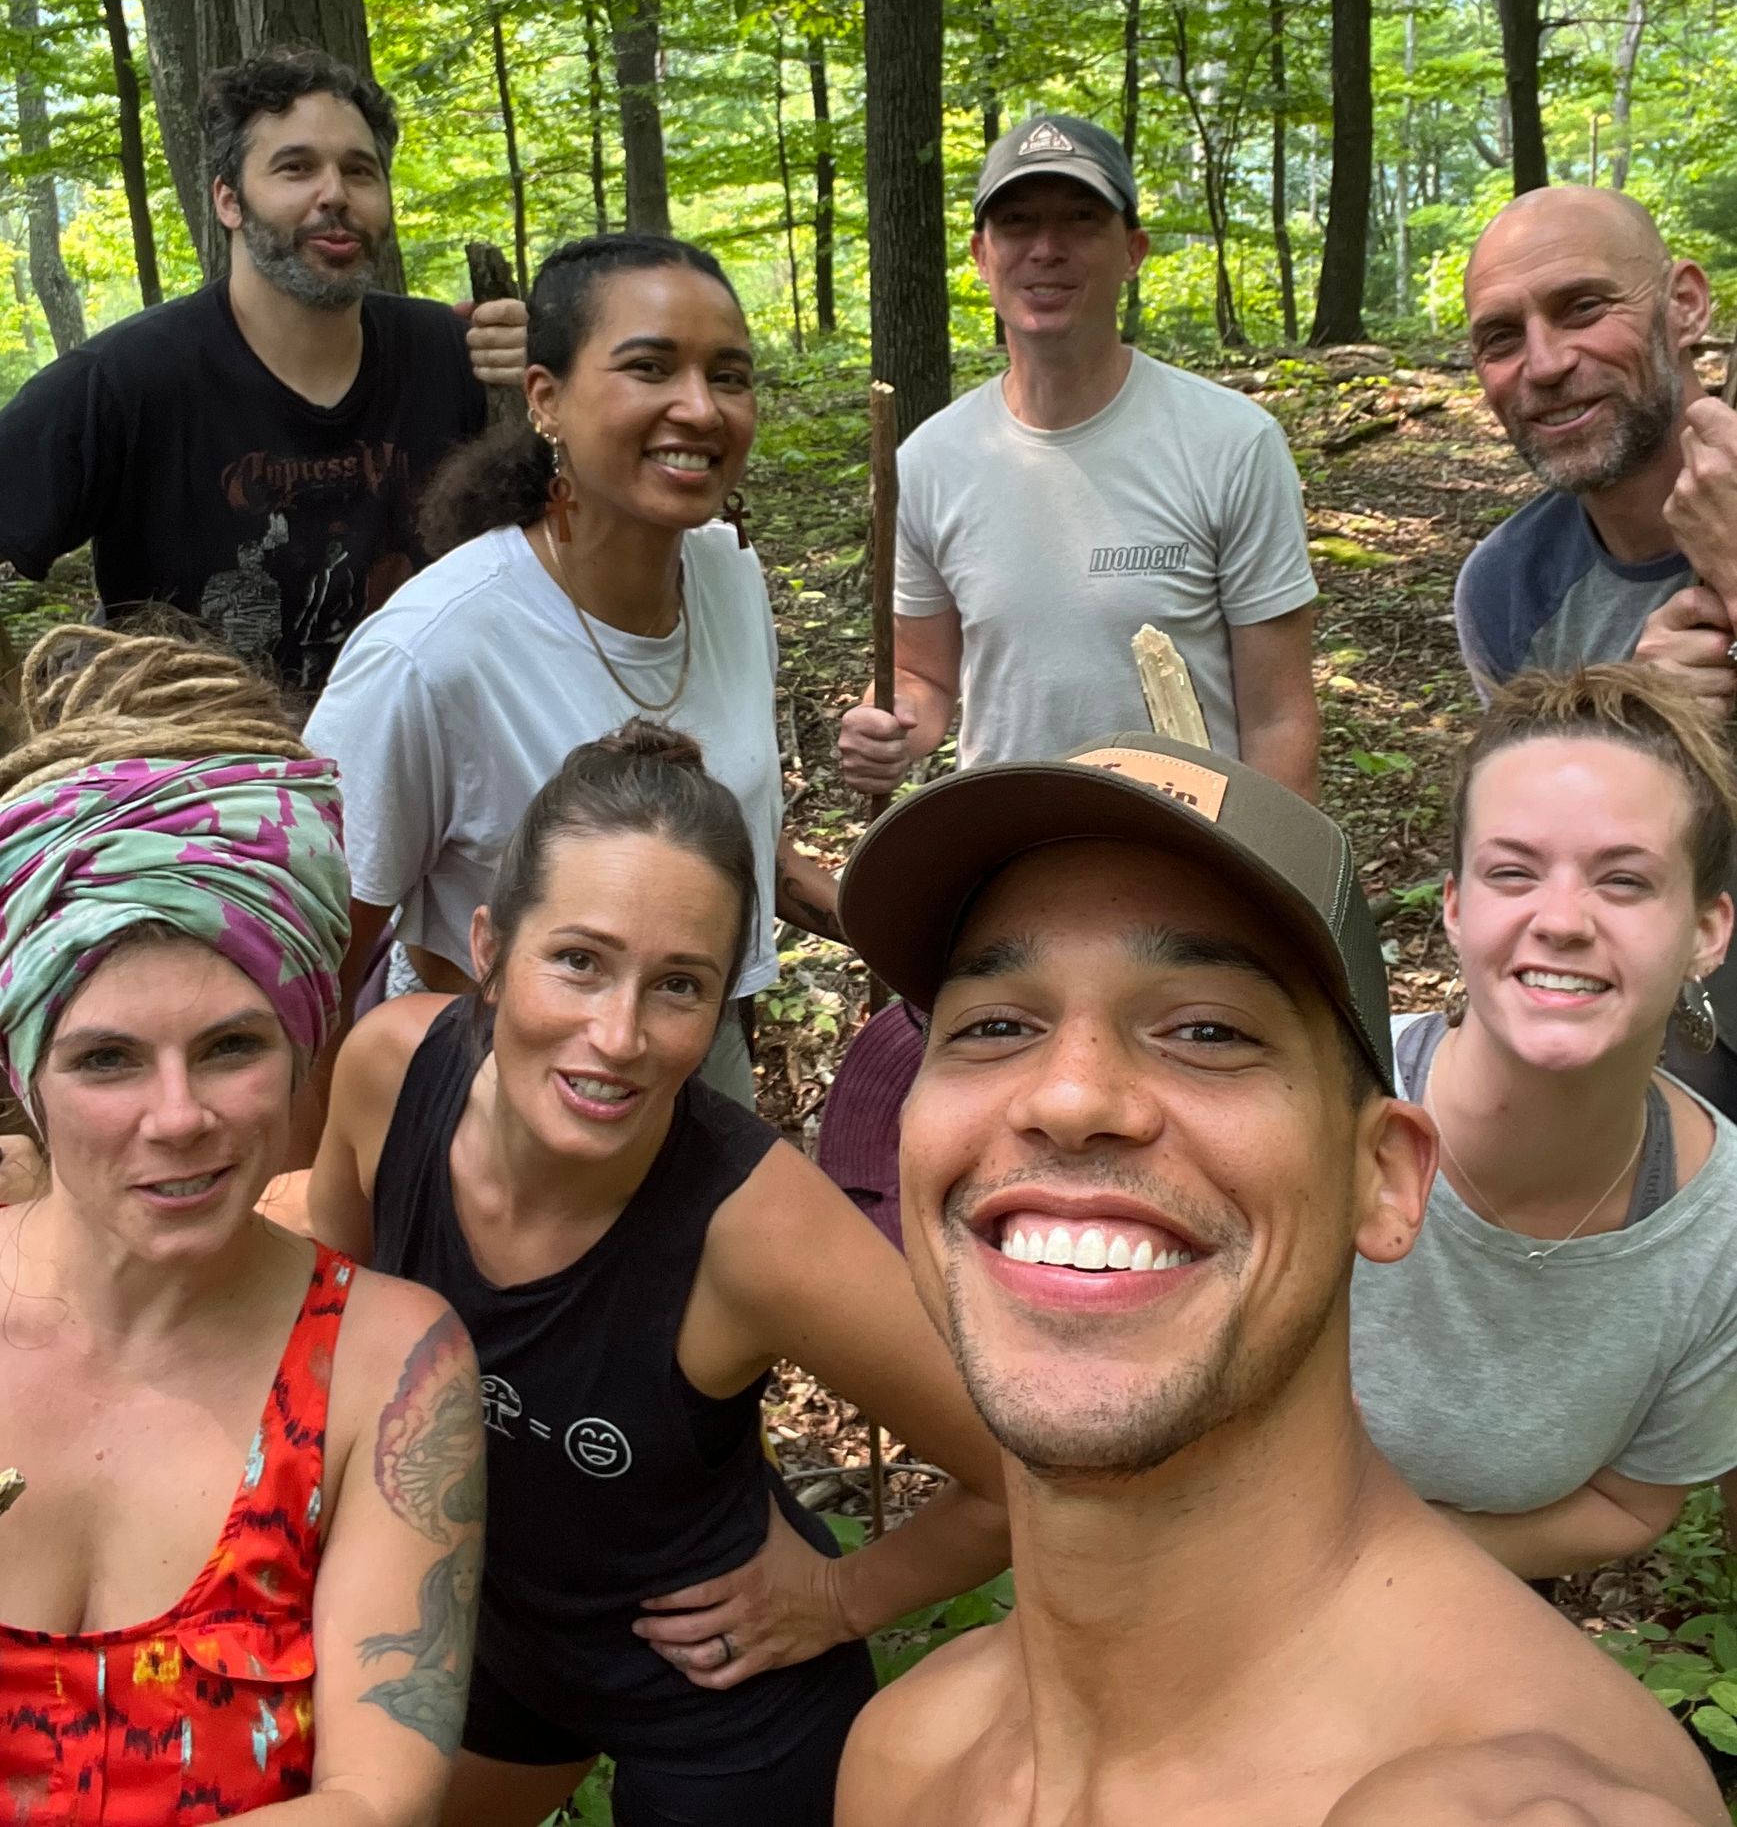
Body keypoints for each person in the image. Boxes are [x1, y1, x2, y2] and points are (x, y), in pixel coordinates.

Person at [829, 730, 1723, 1825]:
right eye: (996, 1025)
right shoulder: (906, 1755)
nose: (1068, 1096)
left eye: (1208, 1029)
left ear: (1385, 1181)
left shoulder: (1512, 1795)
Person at [304, 718, 1009, 1827]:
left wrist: (837, 1596)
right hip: (487, 1638)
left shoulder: (756, 1226)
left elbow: (1017, 1475)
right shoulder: (390, 1072)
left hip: (722, 1707)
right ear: (488, 946)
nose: (618, 1034)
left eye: (678, 986)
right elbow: (318, 1345)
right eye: (577, 962)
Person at [0, 625, 485, 1822]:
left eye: (230, 1047)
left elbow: (380, 1799)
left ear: (302, 1047)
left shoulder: (388, 1367)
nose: (180, 1118)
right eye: (106, 1059)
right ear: (23, 1077)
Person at [305, 232, 839, 1108]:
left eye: (730, 375)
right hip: (490, 1109)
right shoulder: (431, 653)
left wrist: (893, 918)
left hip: (698, 1084)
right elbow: (320, 961)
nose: (700, 407)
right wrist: (310, 1196)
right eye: (650, 368)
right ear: (545, 399)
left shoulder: (729, 579)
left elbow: (734, 835)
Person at [1351, 664, 1737, 1580]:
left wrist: (1368, 1566)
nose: (1559, 920)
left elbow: (1628, 1504)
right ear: (1454, 906)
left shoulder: (1719, 1236)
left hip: (1462, 1614)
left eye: (1625, 881)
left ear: (1707, 931)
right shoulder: (1318, 1097)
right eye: (1512, 872)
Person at [0, 47, 528, 704]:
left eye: (359, 172)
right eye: (295, 168)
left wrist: (554, 392)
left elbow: (567, 543)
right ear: (229, 200)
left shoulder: (459, 357)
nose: (333, 194)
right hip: (198, 781)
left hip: (422, 757)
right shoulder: (124, 381)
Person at [837, 112, 1320, 802]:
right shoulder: (930, 462)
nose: (1046, 249)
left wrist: (1276, 888)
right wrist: (891, 725)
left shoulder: (1230, 443)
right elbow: (926, 676)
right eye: (1017, 223)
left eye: (1080, 220)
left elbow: (1278, 717)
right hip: (1009, 858)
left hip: (1189, 858)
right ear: (980, 254)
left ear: (1132, 250)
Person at [1457, 183, 1737, 1112]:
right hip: (1674, 1048)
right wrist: (1641, 730)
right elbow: (1542, 878)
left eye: (1582, 307)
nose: (1543, 363)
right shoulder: (1508, 590)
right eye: (1501, 337)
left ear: (1684, 305)